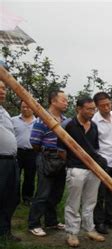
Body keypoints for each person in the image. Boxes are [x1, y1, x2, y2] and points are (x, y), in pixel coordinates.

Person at [58, 97, 106, 247]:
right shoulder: (68, 125)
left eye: (93, 109)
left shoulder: (94, 126)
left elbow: (95, 148)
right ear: (79, 108)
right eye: (89, 109)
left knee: (90, 201)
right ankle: (72, 233)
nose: (92, 112)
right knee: (74, 201)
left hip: (93, 168)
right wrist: (72, 164)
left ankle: (89, 229)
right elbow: (61, 151)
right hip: (76, 168)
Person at [28, 90, 69, 237]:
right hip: (46, 156)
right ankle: (34, 224)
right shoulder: (42, 119)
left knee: (57, 193)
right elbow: (34, 142)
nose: (67, 102)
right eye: (64, 100)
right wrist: (47, 152)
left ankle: (51, 222)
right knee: (43, 192)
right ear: (53, 101)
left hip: (62, 158)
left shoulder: (65, 120)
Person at [92, 92, 112, 234]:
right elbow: (92, 143)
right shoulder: (94, 121)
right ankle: (98, 222)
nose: (107, 107)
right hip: (103, 161)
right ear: (97, 106)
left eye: (108, 104)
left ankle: (109, 218)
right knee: (100, 194)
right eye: (103, 105)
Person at [0, 80, 20, 242]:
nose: (2, 91)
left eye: (4, 88)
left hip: (11, 161)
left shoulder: (4, 111)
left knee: (11, 197)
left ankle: (4, 232)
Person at [12, 101, 37, 206]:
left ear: (33, 108)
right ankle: (14, 198)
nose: (25, 109)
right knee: (15, 176)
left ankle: (27, 198)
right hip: (17, 152)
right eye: (23, 107)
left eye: (28, 107)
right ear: (20, 107)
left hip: (32, 152)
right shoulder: (13, 120)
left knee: (30, 177)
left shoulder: (38, 122)